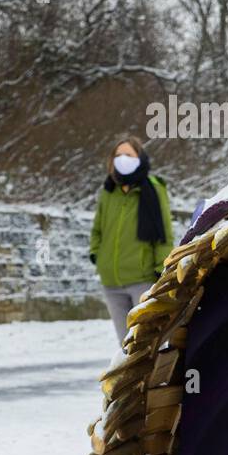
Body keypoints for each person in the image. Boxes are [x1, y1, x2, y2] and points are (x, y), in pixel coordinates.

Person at [90, 137, 174, 343]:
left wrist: (160, 268)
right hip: (111, 281)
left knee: (147, 340)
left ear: (139, 157)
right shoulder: (108, 190)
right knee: (125, 345)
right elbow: (98, 228)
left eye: (128, 154)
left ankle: (156, 376)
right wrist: (96, 255)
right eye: (118, 155)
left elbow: (164, 230)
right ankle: (133, 377)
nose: (122, 159)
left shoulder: (154, 188)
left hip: (142, 279)